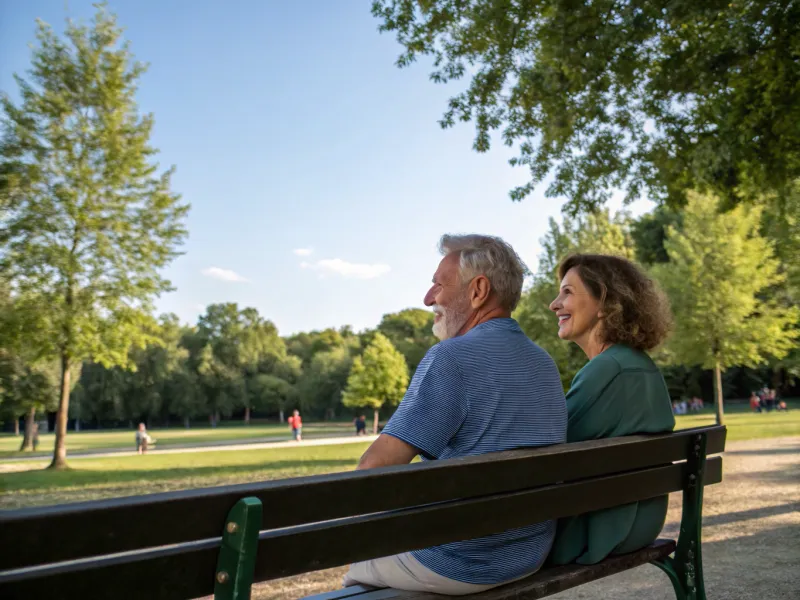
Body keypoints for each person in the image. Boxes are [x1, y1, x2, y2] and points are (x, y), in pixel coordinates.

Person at [343, 234, 567, 595]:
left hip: (461, 561)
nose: (428, 298)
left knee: (361, 570)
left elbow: (373, 470)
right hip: (529, 554)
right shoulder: (544, 364)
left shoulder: (450, 359)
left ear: (478, 291)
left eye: (438, 285)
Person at [547, 253, 675, 566]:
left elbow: (547, 451)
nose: (554, 304)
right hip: (639, 526)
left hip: (593, 536)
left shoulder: (608, 369)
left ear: (605, 303)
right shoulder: (640, 365)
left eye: (567, 292)